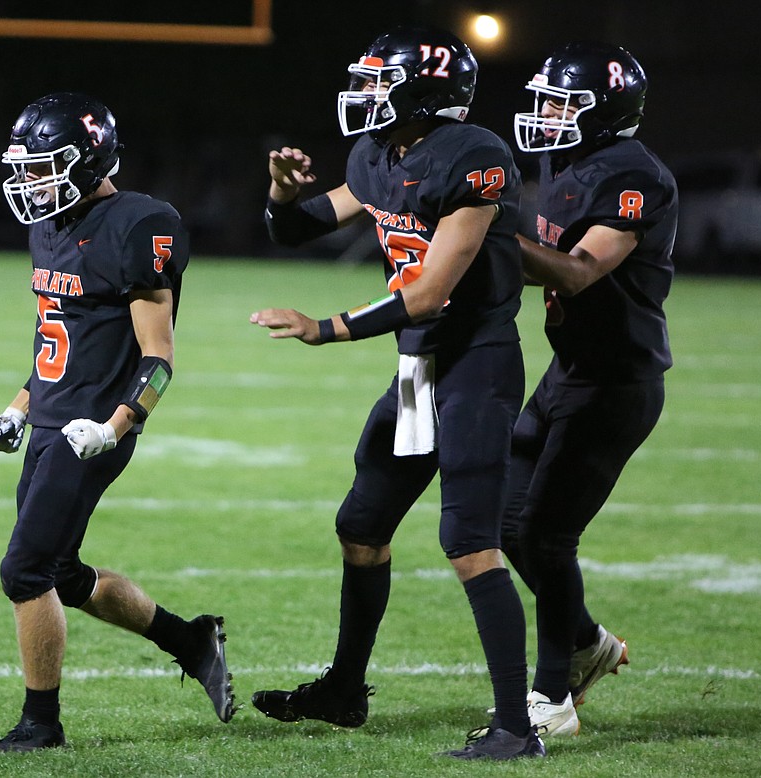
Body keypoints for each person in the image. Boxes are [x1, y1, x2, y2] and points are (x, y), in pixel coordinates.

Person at [248, 26, 542, 760]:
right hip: (417, 372)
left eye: (385, 81)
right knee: (362, 524)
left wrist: (329, 327)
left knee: (469, 542)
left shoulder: (476, 157)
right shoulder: (380, 153)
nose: (370, 93)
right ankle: (346, 691)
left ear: (427, 90)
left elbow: (432, 291)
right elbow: (298, 227)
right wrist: (283, 191)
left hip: (475, 365)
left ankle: (516, 726)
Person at [0, 91, 235, 752]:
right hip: (49, 422)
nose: (30, 182)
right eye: (25, 168)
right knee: (60, 572)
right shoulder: (49, 224)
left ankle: (42, 724)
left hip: (95, 431)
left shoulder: (140, 223)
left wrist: (116, 429)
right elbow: (56, 342)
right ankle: (191, 641)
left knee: (24, 571)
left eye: (44, 166)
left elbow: (158, 359)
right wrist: (18, 406)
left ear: (89, 160)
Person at [502, 43, 677, 737]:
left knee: (547, 537)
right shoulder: (568, 160)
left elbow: (575, 273)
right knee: (505, 521)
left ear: (605, 111)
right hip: (569, 370)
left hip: (615, 381)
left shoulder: (635, 175)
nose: (545, 116)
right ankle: (587, 644)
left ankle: (552, 698)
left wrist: (484, 233)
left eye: (561, 104)